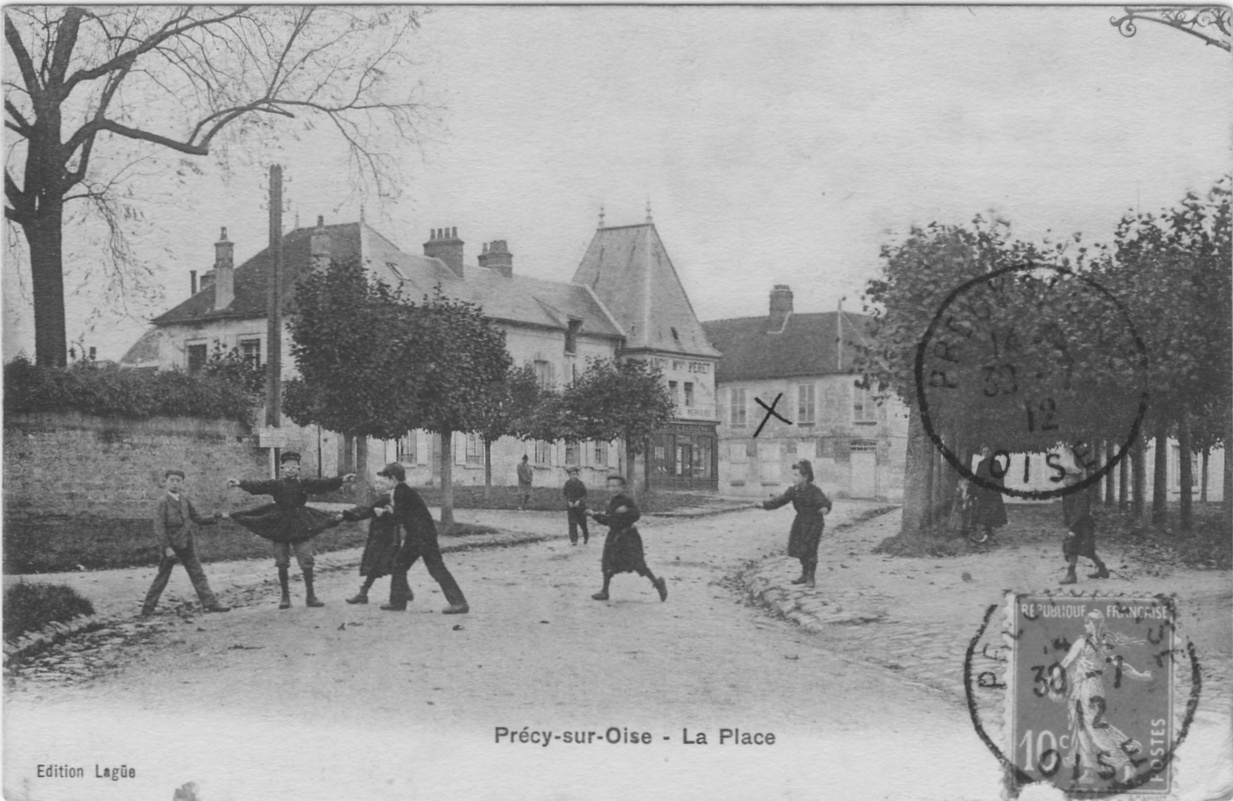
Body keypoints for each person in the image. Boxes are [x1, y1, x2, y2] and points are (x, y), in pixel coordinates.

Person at [227, 451, 355, 609]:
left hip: (300, 524)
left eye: (294, 467)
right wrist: (239, 483)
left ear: (298, 468)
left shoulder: (304, 484)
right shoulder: (276, 484)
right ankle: (285, 597)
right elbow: (258, 486)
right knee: (281, 562)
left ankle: (311, 596)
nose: (290, 470)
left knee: (307, 560)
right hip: (279, 524)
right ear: (282, 468)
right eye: (287, 467)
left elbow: (322, 484)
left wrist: (342, 479)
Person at [1052, 610, 1152, 784]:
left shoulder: (1083, 642)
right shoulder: (1103, 644)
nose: (1085, 625)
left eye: (1087, 622)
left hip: (1088, 688)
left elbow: (1067, 662)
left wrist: (1050, 678)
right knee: (1082, 729)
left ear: (1094, 623)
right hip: (1088, 687)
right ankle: (1089, 772)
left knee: (1095, 729)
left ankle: (1126, 763)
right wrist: (1141, 676)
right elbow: (1123, 665)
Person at [379, 462, 469, 614]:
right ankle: (458, 602)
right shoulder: (404, 490)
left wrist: (385, 513)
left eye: (385, 479)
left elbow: (399, 517)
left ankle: (398, 602)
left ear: (393, 478)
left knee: (401, 564)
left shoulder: (400, 492)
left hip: (419, 536)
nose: (384, 482)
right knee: (426, 566)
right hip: (424, 534)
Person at [141, 470, 231, 616]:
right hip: (172, 545)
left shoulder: (184, 500)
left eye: (178, 480)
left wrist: (215, 517)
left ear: (182, 483)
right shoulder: (162, 502)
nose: (175, 483)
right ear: (166, 482)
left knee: (198, 573)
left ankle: (210, 603)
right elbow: (159, 527)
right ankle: (147, 608)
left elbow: (198, 518)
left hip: (187, 543)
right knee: (162, 576)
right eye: (172, 480)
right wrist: (167, 547)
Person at [587, 474, 667, 602]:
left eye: (616, 486)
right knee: (607, 563)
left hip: (629, 537)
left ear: (622, 488)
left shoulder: (626, 501)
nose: (613, 489)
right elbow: (608, 520)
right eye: (611, 486)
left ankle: (658, 584)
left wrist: (627, 511)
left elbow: (637, 515)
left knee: (638, 564)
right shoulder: (611, 502)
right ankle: (605, 591)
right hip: (614, 537)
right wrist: (594, 515)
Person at [755, 459, 832, 588]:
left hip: (814, 523)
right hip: (801, 522)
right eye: (793, 475)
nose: (793, 478)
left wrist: (825, 508)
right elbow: (780, 501)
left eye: (797, 475)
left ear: (806, 476)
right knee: (800, 548)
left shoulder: (814, 491)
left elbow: (824, 502)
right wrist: (764, 504)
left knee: (811, 549)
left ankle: (811, 577)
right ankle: (804, 574)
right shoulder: (793, 491)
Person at [339, 470, 405, 606]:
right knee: (388, 565)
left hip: (384, 538)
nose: (377, 486)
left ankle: (364, 593)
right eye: (376, 483)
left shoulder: (385, 499)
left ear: (390, 482)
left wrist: (347, 515)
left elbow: (366, 512)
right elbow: (368, 509)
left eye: (381, 483)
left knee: (380, 565)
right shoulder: (388, 497)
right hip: (387, 537)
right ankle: (365, 593)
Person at [1060, 463, 1110, 584]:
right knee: (1077, 548)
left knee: (1079, 548)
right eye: (1064, 478)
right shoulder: (1067, 492)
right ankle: (1101, 569)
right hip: (1076, 523)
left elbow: (1080, 511)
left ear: (1076, 479)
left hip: (1083, 524)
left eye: (1068, 478)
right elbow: (1067, 509)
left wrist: (1073, 528)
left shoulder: (1081, 492)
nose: (1065, 481)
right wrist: (1067, 522)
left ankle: (1071, 575)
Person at [969, 446, 1008, 545]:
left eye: (987, 451)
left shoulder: (996, 463)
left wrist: (999, 487)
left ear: (991, 452)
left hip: (993, 492)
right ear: (982, 453)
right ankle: (987, 533)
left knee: (993, 513)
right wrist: (976, 490)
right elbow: (977, 477)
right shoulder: (981, 464)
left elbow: (1000, 477)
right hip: (983, 492)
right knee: (984, 513)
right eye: (983, 451)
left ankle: (990, 535)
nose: (985, 453)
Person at [563, 466, 589, 545]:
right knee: (572, 523)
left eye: (574, 474)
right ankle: (574, 540)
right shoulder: (567, 484)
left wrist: (579, 501)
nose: (572, 476)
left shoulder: (580, 484)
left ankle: (586, 536)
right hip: (571, 506)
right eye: (571, 475)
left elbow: (585, 494)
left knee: (582, 523)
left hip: (580, 507)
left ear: (577, 475)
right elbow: (564, 494)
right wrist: (568, 501)